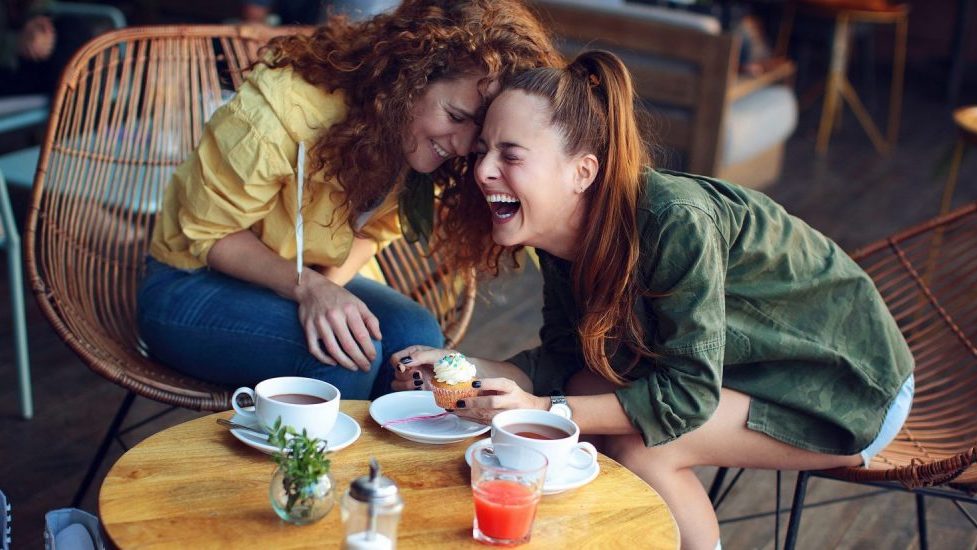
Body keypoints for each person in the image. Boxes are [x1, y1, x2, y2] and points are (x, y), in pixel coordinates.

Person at [391, 50, 914, 549]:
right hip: (741, 373)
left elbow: (686, 398)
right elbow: (565, 362)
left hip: (845, 387)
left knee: (642, 448)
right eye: (483, 150)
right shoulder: (559, 238)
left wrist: (543, 407)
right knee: (579, 392)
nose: (481, 169)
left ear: (583, 173)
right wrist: (469, 369)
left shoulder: (674, 221)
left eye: (510, 154)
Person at [137, 0, 561, 400]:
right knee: (345, 356)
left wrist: (328, 295)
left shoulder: (417, 142)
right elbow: (209, 234)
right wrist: (311, 291)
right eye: (454, 116)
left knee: (415, 336)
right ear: (407, 79)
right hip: (187, 281)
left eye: (479, 130)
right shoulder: (275, 113)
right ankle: (314, 477)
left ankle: (376, 468)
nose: (465, 145)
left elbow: (371, 232)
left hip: (293, 275)